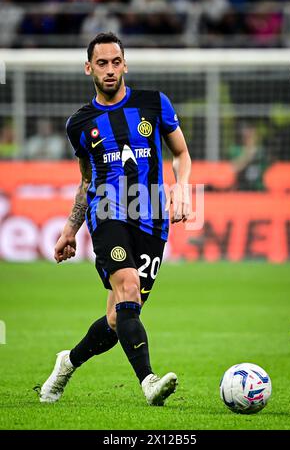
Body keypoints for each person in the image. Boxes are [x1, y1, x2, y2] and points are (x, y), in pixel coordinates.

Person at [39, 32, 191, 406]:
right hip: (106, 212)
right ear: (88, 68)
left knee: (118, 317)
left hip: (153, 217)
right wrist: (70, 229)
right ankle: (149, 382)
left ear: (125, 64)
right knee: (127, 288)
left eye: (116, 62)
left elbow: (181, 153)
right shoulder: (80, 123)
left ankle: (67, 363)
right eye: (102, 63)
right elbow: (87, 180)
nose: (110, 70)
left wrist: (182, 186)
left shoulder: (154, 104)